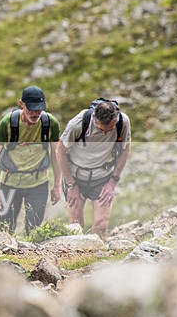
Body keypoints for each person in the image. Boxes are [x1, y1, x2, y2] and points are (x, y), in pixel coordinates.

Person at [0, 85, 62, 235]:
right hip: (9, 184)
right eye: (31, 109)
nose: (36, 113)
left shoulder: (50, 123)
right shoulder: (8, 123)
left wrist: (57, 185)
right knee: (6, 229)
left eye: (39, 108)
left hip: (38, 184)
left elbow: (56, 154)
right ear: (22, 104)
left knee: (34, 230)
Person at [56, 98, 131, 236]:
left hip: (102, 177)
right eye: (102, 129)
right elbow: (60, 151)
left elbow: (125, 150)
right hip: (75, 177)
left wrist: (112, 182)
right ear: (93, 118)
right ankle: (77, 257)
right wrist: (71, 184)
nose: (106, 134)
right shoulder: (77, 124)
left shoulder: (123, 122)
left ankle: (100, 257)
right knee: (75, 226)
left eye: (111, 129)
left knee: (101, 226)